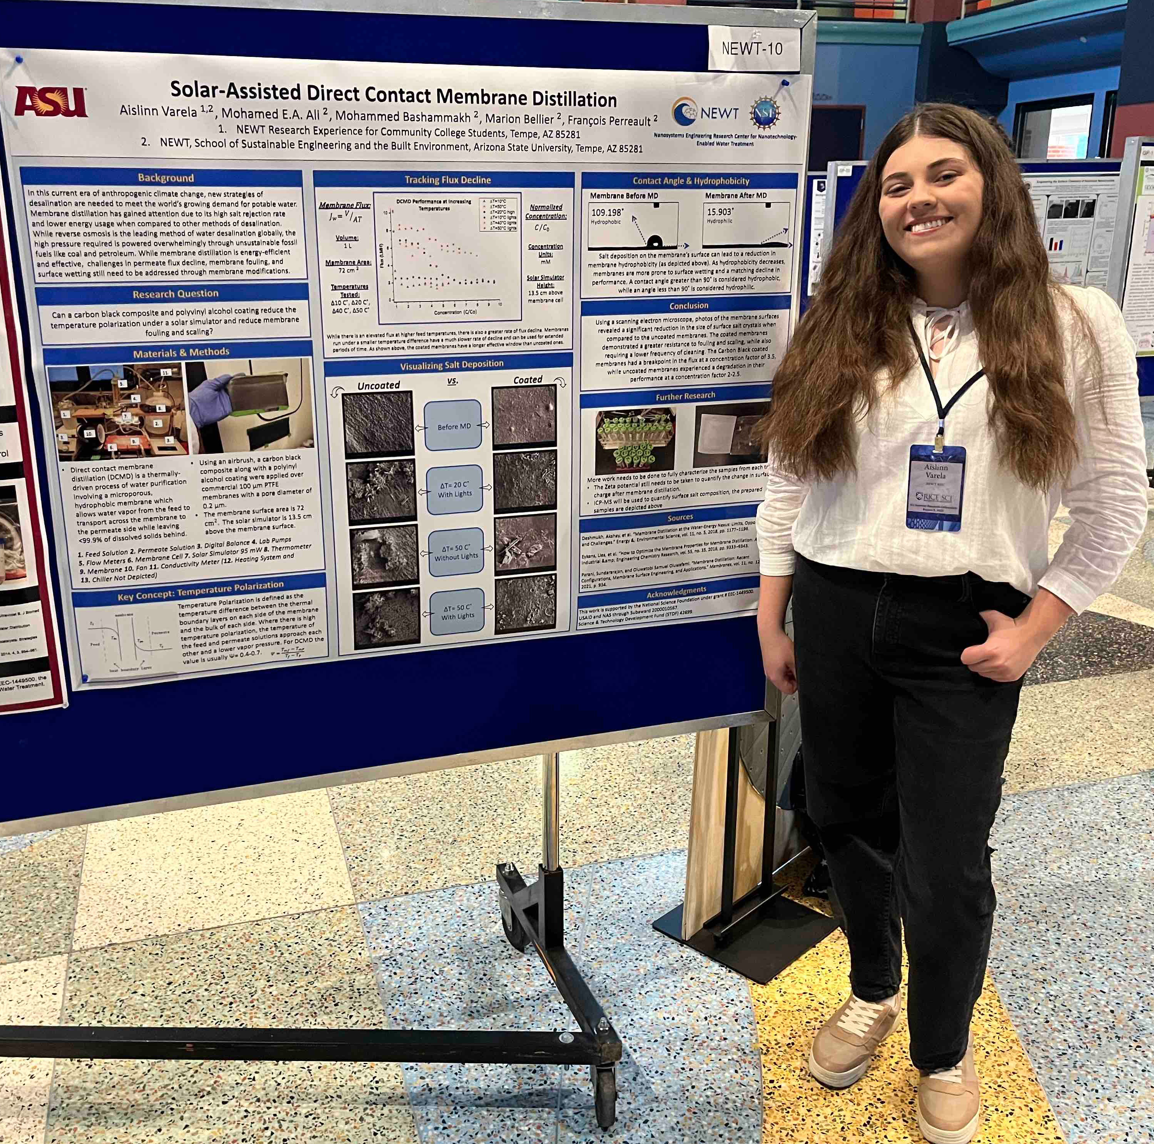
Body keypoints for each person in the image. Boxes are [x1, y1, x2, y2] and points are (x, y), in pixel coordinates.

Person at [755, 103, 1147, 1144]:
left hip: (964, 625)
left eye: (942, 174)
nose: (916, 198)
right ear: (871, 208)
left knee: (945, 857)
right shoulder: (839, 317)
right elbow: (789, 477)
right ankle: (871, 988)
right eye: (895, 184)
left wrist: (1034, 629)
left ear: (992, 189)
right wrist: (772, 608)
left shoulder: (1073, 322)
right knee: (843, 822)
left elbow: (1114, 502)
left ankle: (941, 1047)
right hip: (834, 603)